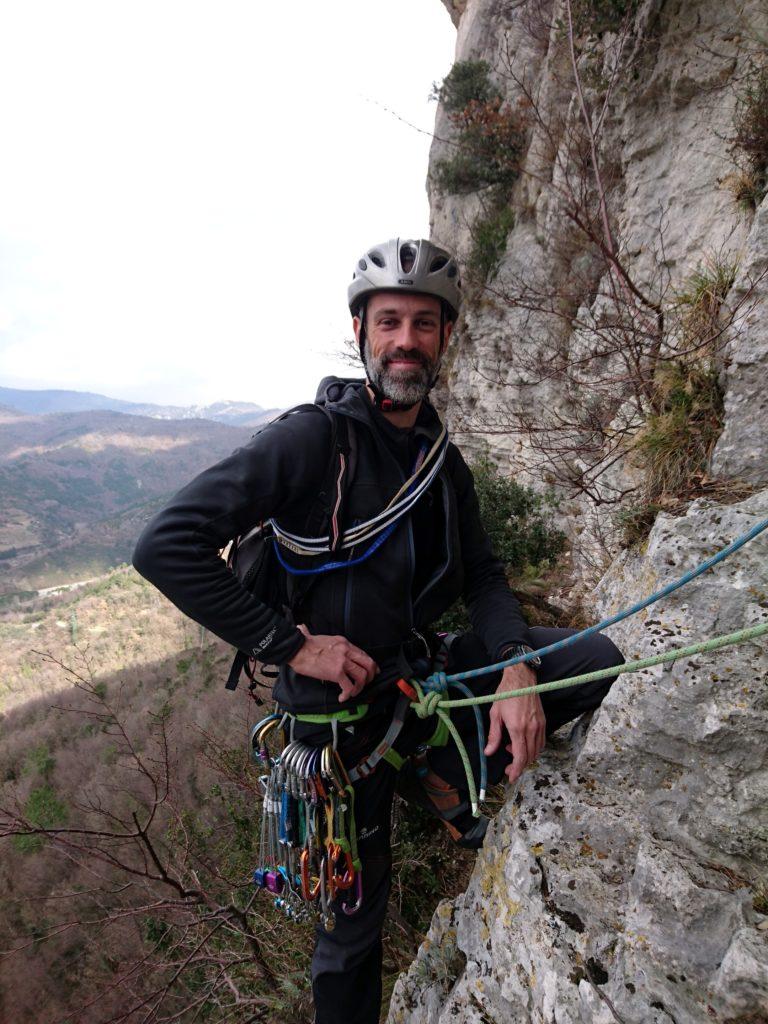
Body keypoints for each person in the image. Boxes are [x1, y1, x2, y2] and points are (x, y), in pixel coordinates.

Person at [132, 237, 624, 1024]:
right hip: (335, 731)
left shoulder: (439, 462)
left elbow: (486, 579)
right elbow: (165, 546)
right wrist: (292, 644)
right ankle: (437, 773)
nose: (405, 340)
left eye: (423, 324)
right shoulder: (311, 442)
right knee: (352, 942)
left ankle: (446, 771)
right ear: (360, 332)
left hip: (413, 686)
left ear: (444, 339)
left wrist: (515, 668)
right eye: (388, 321)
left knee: (591, 658)